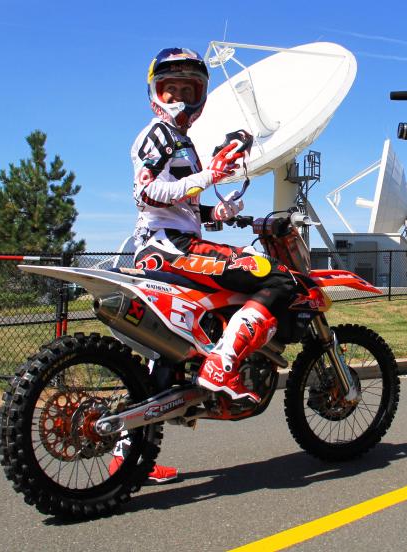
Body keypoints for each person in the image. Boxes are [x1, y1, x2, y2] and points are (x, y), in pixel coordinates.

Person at [130, 47, 296, 403]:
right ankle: (222, 364)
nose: (180, 98)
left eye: (189, 90)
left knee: (160, 368)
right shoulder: (157, 134)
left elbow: (178, 203)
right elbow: (147, 193)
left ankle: (129, 459)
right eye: (171, 89)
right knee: (279, 277)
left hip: (167, 246)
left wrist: (215, 214)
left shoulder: (180, 142)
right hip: (171, 248)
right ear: (156, 93)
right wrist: (208, 177)